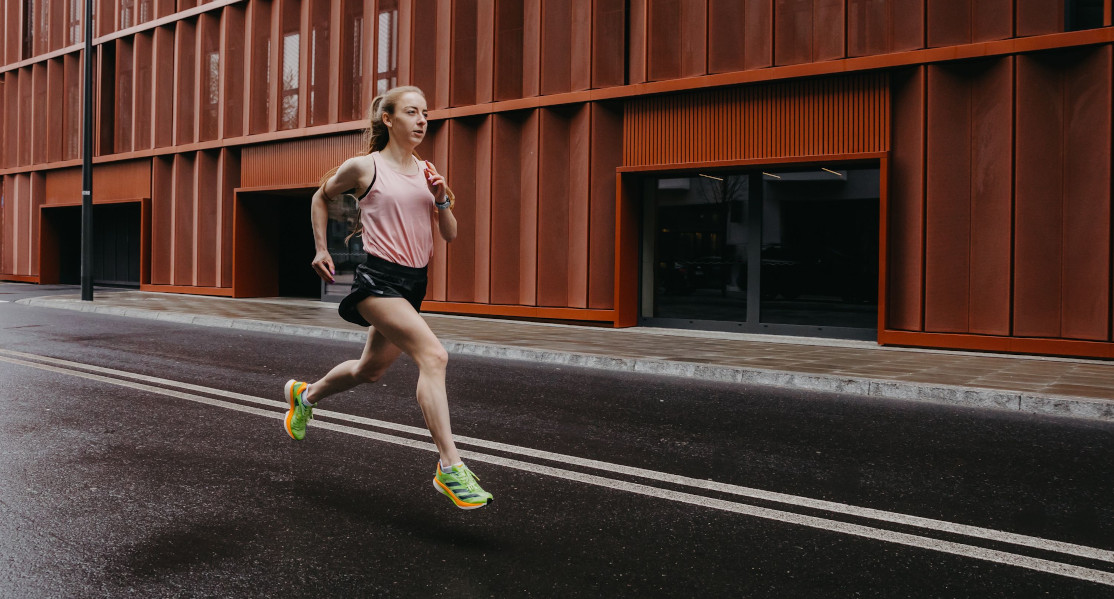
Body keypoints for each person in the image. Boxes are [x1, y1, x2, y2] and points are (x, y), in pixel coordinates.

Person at [283, 85, 492, 510]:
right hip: (378, 281)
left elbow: (450, 234)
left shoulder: (426, 171)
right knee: (434, 356)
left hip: (414, 284)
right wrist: (322, 248)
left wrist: (442, 199)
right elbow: (320, 197)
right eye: (412, 112)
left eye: (425, 114)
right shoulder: (365, 168)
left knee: (369, 371)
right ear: (388, 119)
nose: (421, 121)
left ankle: (304, 397)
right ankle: (450, 467)